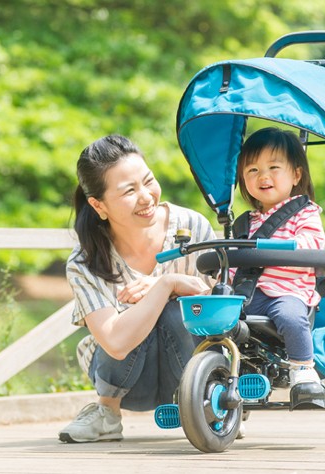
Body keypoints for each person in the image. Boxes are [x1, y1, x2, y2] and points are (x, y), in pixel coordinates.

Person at [58, 134, 215, 443]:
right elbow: (116, 342)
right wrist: (167, 284)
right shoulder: (84, 261)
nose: (146, 197)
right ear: (98, 205)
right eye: (129, 191)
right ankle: (106, 413)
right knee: (138, 314)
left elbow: (223, 304)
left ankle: (210, 406)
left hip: (190, 373)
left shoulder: (191, 227)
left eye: (148, 181)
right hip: (128, 383)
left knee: (175, 311)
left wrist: (168, 290)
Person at [235, 127, 325, 396]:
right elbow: (235, 264)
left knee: (289, 316)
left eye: (274, 167)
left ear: (296, 174)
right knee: (214, 317)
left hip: (287, 293)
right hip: (249, 294)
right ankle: (216, 376)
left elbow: (311, 244)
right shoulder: (245, 222)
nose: (263, 176)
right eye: (252, 170)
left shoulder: (304, 212)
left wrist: (273, 248)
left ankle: (303, 368)